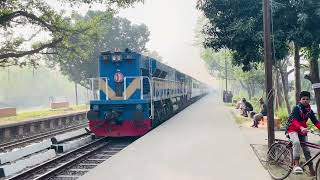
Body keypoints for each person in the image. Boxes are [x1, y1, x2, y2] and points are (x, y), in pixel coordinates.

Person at [285, 91, 320, 176]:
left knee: (307, 150)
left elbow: (315, 122)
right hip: (292, 129)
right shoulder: (296, 108)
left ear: (309, 100)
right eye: (303, 99)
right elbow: (294, 120)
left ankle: (311, 169)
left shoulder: (310, 111)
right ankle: (296, 164)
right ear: (300, 100)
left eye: (307, 99)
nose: (305, 100)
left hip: (302, 131)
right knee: (296, 142)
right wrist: (301, 128)